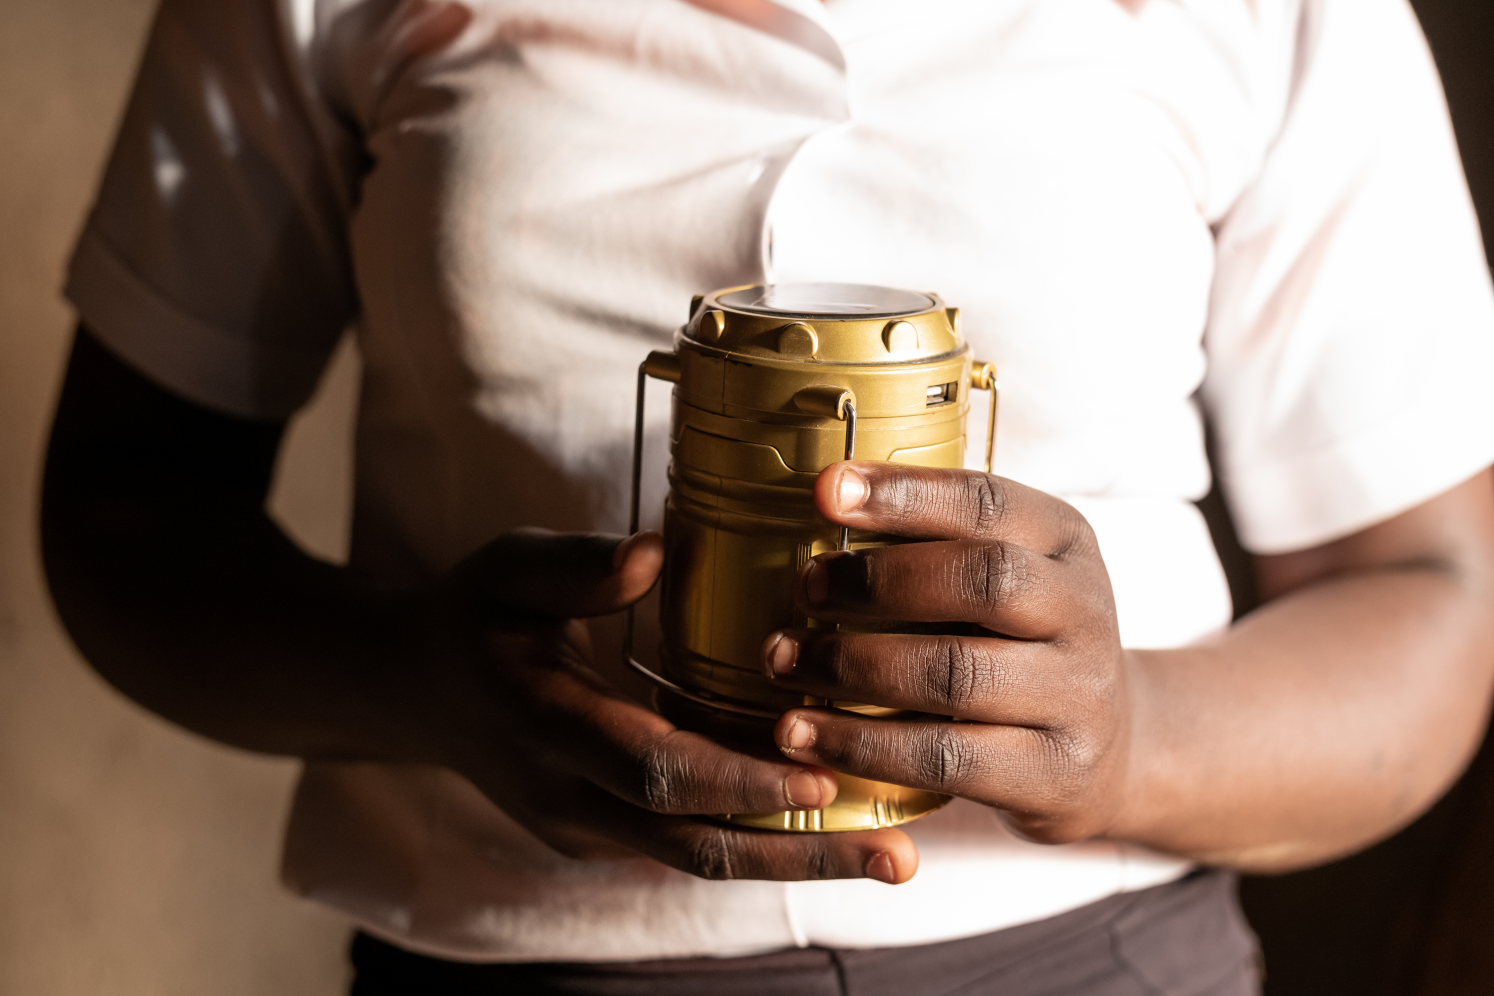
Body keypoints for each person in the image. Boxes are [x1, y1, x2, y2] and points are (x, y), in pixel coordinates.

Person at [40, 0, 1494, 992]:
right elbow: (125, 512)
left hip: (1088, 961)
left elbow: (1434, 593)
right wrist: (412, 682)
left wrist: (1124, 741)